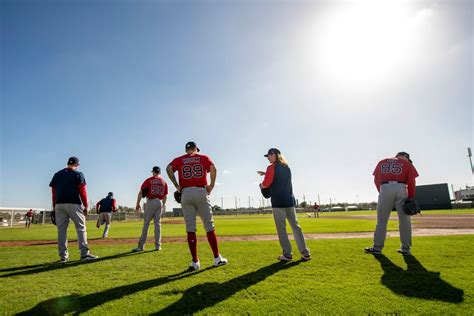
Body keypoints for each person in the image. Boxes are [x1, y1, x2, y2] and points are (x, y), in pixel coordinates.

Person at [166, 141, 228, 271]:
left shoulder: (179, 159)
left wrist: (177, 185)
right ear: (195, 149)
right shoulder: (203, 157)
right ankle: (217, 258)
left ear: (186, 149)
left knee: (190, 228)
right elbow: (213, 168)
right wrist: (211, 185)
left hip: (186, 193)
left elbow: (168, 168)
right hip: (201, 191)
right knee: (209, 226)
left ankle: (195, 262)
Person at [259, 148, 311, 261]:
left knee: (281, 229)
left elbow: (266, 183)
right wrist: (266, 173)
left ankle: (287, 254)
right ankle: (305, 252)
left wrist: (261, 185)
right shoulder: (286, 167)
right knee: (296, 227)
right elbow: (278, 177)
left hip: (278, 203)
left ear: (274, 155)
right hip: (289, 201)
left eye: (268, 155)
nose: (267, 158)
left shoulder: (271, 167)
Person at [365, 151, 419, 256]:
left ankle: (377, 248)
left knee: (382, 220)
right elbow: (411, 181)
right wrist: (411, 197)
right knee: (405, 221)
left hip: (385, 187)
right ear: (405, 157)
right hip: (401, 187)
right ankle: (406, 249)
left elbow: (376, 180)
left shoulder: (382, 162)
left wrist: (382, 191)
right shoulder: (407, 164)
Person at [49, 156, 98, 262]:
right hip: (74, 203)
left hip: (59, 204)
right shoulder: (78, 174)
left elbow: (53, 191)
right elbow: (83, 191)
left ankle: (63, 257)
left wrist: (54, 206)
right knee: (81, 228)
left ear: (68, 163)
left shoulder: (57, 174)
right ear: (77, 165)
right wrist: (85, 205)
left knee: (61, 231)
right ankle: (84, 254)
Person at [132, 166, 168, 252]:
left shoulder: (149, 180)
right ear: (159, 172)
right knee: (158, 225)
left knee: (146, 224)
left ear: (153, 172)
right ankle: (158, 246)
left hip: (151, 201)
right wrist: (163, 205)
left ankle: (141, 246)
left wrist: (137, 203)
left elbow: (141, 192)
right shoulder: (163, 182)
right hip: (159, 202)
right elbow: (165, 196)